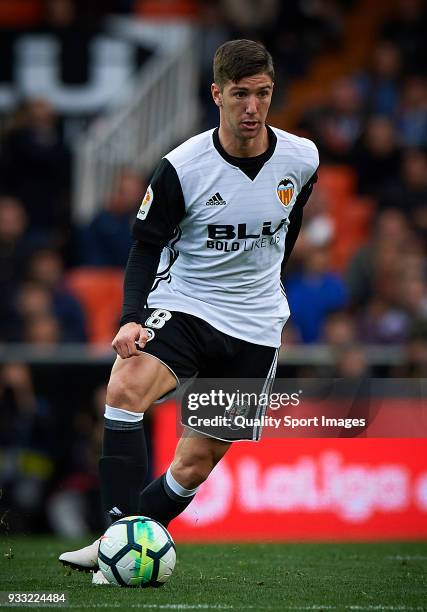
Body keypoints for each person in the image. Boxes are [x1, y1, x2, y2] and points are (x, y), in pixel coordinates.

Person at [59, 39, 319, 584]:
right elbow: (143, 245)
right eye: (241, 94)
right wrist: (131, 317)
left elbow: (288, 227)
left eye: (263, 94)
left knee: (195, 462)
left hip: (255, 325)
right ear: (217, 94)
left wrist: (270, 286)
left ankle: (114, 547)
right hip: (188, 304)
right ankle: (116, 535)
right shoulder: (182, 168)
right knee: (126, 386)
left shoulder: (302, 158)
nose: (252, 108)